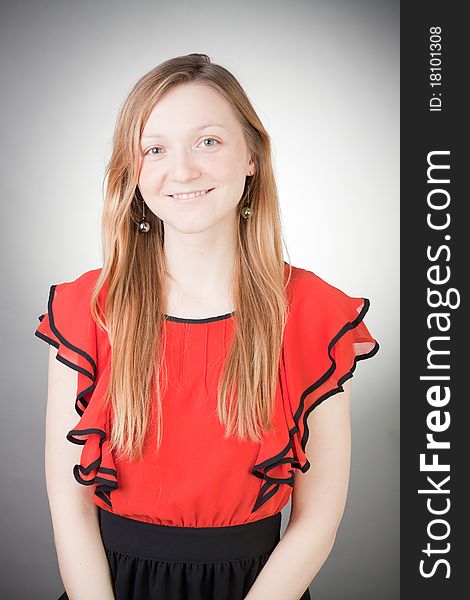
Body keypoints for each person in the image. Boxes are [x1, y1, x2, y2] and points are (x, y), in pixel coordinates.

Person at [35, 53, 380, 600]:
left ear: (252, 157)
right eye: (155, 148)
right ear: (135, 173)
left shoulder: (314, 313)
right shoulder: (86, 309)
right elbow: (68, 501)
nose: (183, 170)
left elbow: (317, 518)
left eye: (209, 141)